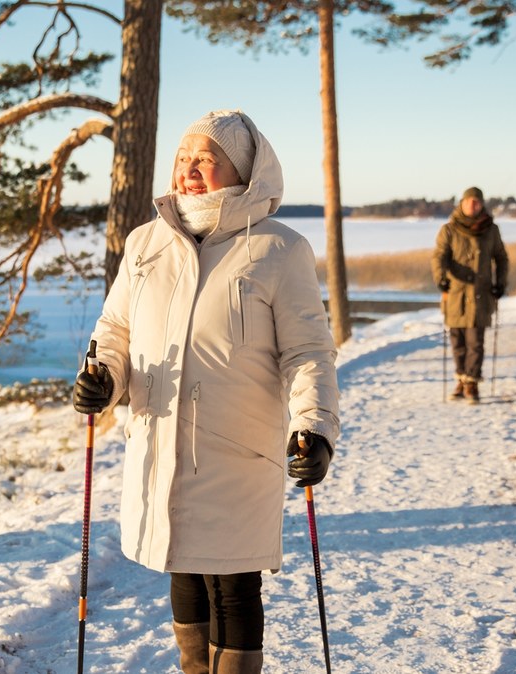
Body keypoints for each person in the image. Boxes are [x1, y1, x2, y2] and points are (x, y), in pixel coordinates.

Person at [71, 109, 341, 674]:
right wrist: (106, 380)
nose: (189, 170)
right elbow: (114, 331)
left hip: (238, 448)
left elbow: (307, 353)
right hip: (160, 437)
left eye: (206, 159)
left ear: (242, 171)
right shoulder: (145, 243)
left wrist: (313, 427)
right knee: (185, 572)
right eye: (183, 158)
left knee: (233, 584)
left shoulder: (278, 249)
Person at [431, 186, 509, 404]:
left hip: (481, 295)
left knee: (476, 341)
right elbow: (439, 257)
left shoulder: (491, 230)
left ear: (482, 204)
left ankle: (472, 383)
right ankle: (461, 380)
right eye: (468, 202)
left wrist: (500, 283)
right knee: (458, 341)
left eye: (476, 202)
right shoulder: (449, 229)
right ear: (462, 204)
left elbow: (501, 258)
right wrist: (441, 278)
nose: (472, 206)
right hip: (455, 294)